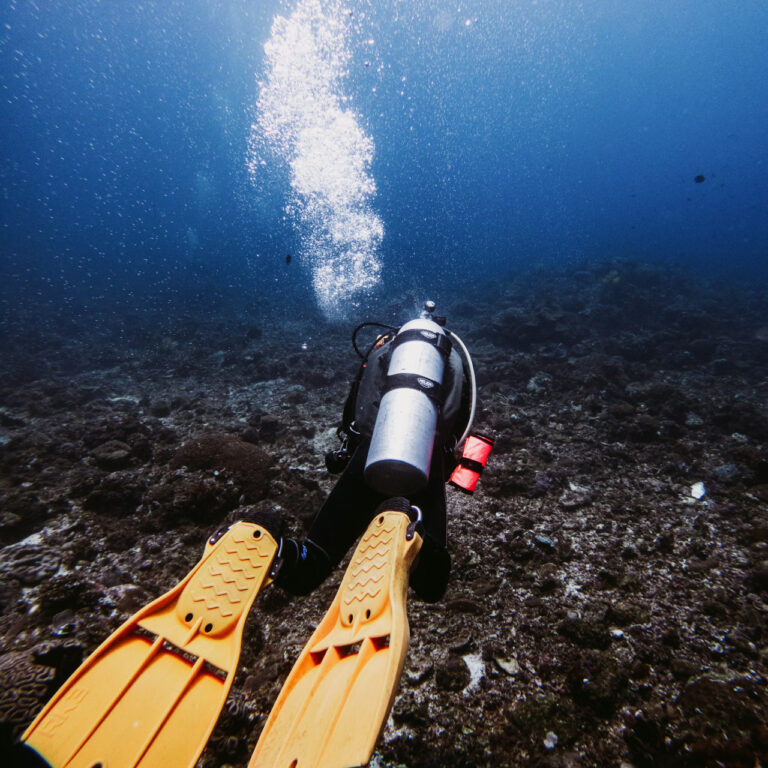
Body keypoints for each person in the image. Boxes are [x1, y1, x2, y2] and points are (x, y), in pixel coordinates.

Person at [260, 301, 474, 603]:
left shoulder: (382, 349)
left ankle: (266, 542)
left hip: (369, 457)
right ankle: (408, 529)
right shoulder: (454, 359)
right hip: (426, 465)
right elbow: (461, 420)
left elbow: (354, 412)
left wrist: (350, 449)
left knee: (311, 566)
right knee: (432, 586)